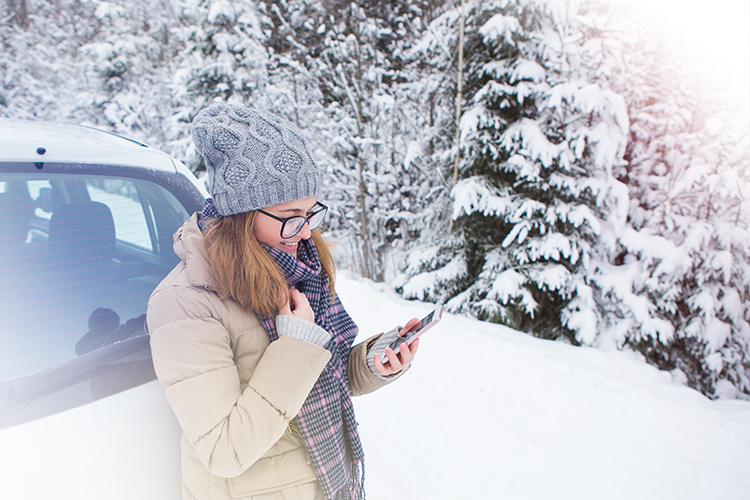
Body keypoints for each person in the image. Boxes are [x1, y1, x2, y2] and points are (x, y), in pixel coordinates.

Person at [146, 103, 420, 500]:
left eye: (310, 213)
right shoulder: (185, 304)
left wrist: (373, 363)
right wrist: (296, 345)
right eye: (291, 214)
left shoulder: (297, 268)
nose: (306, 232)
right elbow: (224, 450)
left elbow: (323, 378)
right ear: (240, 213)